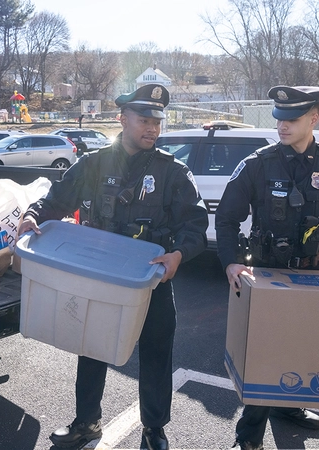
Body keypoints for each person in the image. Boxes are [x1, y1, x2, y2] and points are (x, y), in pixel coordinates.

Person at [18, 83, 208, 450]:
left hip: (149, 280)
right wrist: (31, 215)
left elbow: (195, 225)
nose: (152, 127)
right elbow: (57, 199)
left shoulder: (173, 172)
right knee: (92, 346)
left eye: (157, 120)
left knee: (155, 352)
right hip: (100, 279)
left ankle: (154, 429)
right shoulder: (95, 164)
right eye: (144, 119)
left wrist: (179, 255)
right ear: (122, 119)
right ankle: (86, 422)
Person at [215, 85, 319, 450]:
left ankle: (290, 408)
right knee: (265, 355)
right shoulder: (258, 164)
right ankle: (248, 439)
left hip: (313, 279)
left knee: (306, 349)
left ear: (314, 119)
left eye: (292, 119)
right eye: (280, 118)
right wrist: (230, 262)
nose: (283, 125)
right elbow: (226, 220)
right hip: (268, 278)